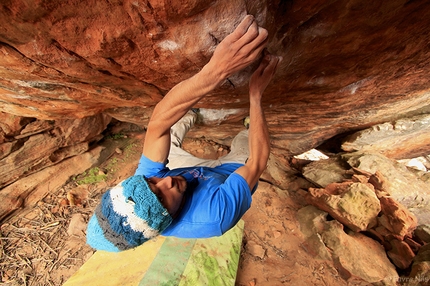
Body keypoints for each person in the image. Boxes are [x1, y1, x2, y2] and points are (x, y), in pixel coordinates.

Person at [86, 15, 282, 252]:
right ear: (165, 220)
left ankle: (190, 114)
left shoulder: (142, 191)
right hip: (233, 172)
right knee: (245, 142)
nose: (164, 181)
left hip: (197, 173)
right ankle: (248, 126)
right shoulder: (214, 215)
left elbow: (157, 126)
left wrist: (216, 70)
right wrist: (255, 94)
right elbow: (257, 163)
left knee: (168, 132)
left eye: (151, 181)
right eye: (160, 197)